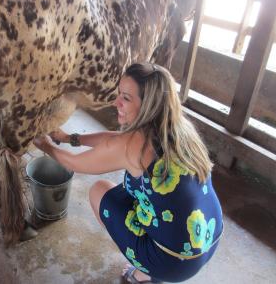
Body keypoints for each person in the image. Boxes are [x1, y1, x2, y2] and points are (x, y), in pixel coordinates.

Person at [33, 63, 223, 283]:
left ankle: (146, 273)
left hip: (173, 261)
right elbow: (112, 140)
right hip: (208, 236)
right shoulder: (180, 128)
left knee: (99, 191)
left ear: (149, 104)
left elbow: (75, 164)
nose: (116, 102)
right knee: (138, 188)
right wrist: (69, 138)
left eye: (126, 98)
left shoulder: (134, 144)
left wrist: (45, 145)